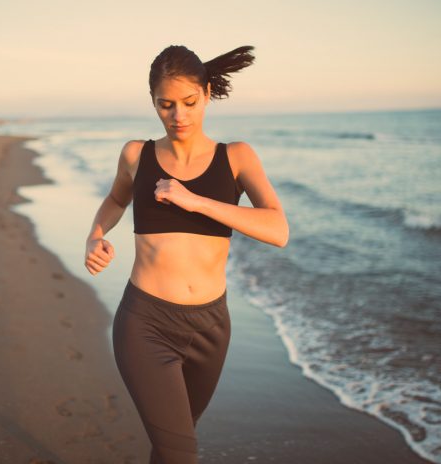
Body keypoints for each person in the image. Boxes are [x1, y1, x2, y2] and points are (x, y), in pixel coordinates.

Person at [84, 44, 289, 464]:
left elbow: (278, 229)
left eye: (190, 103)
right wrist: (95, 234)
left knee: (174, 444)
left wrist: (197, 201)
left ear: (208, 93)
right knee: (182, 453)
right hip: (146, 323)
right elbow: (115, 201)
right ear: (154, 103)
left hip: (212, 328)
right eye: (166, 105)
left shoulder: (236, 157)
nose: (179, 116)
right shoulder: (135, 155)